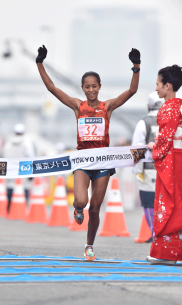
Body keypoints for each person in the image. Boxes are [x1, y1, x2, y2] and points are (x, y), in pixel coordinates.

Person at [36, 45, 141, 260]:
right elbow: (52, 88)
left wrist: (136, 67)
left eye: (94, 86)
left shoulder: (108, 107)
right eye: (87, 87)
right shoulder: (77, 106)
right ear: (82, 88)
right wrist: (40, 63)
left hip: (102, 161)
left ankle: (89, 245)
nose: (91, 90)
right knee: (81, 202)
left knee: (95, 209)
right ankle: (76, 209)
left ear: (99, 87)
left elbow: (131, 91)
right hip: (83, 160)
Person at [147, 65, 182, 265]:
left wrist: (154, 147)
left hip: (171, 160)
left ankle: (166, 253)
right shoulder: (180, 105)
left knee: (167, 202)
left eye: (159, 84)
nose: (156, 87)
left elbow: (165, 140)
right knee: (178, 204)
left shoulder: (169, 108)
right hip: (179, 157)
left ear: (167, 86)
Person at [132, 92, 163, 242]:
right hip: (169, 170)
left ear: (148, 105)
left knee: (149, 202)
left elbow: (137, 149)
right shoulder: (174, 120)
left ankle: (155, 233)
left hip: (149, 171)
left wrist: (137, 171)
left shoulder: (144, 123)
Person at [3, 123, 35, 212]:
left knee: (10, 188)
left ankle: (9, 209)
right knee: (24, 188)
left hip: (11, 169)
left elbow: (5, 156)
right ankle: (23, 209)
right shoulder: (27, 143)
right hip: (23, 169)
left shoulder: (9, 143)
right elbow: (30, 156)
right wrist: (31, 172)